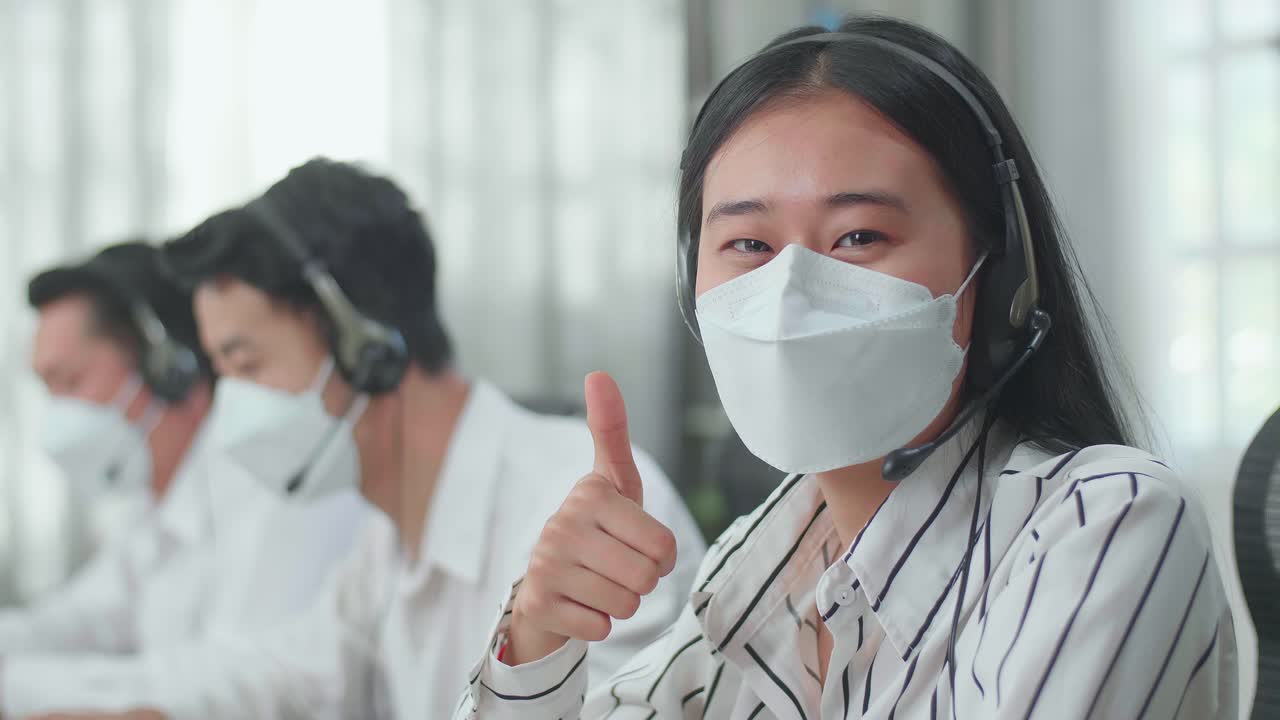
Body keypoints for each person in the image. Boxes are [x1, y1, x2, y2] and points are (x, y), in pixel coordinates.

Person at [459, 17, 1237, 719]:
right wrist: (539, 636)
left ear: (996, 276)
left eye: (859, 237)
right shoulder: (762, 567)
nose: (791, 293)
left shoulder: (1106, 525)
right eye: (751, 248)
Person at [27, 158, 705, 719]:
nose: (230, 404)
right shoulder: (388, 543)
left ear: (368, 347)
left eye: (248, 363)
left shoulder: (574, 506)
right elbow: (269, 676)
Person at [3, 242, 368, 714]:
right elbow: (78, 619)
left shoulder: (277, 481)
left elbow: (239, 681)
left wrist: (18, 685)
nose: (58, 417)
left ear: (167, 370)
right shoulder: (152, 503)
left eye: (70, 382)